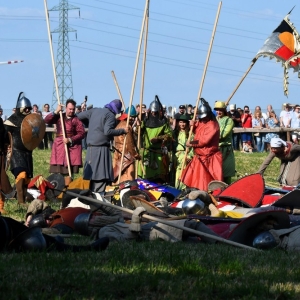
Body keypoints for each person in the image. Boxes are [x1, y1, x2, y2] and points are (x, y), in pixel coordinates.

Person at [77, 99, 129, 193]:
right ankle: (98, 197)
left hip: (91, 148)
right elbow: (107, 131)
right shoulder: (110, 116)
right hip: (101, 149)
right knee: (100, 175)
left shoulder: (94, 110)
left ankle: (93, 195)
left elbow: (78, 116)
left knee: (93, 175)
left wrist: (92, 123)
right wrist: (122, 131)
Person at [180, 98, 222, 191]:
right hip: (199, 157)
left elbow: (204, 141)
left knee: (205, 183)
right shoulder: (202, 121)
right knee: (194, 180)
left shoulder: (213, 125)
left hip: (208, 158)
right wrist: (193, 125)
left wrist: (191, 143)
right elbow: (198, 130)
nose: (202, 119)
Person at [44, 99, 85, 187]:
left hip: (71, 147)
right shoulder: (59, 116)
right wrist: (55, 111)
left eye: (73, 109)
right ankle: (58, 187)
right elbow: (46, 120)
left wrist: (70, 139)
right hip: (59, 144)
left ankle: (68, 187)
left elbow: (81, 133)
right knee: (59, 169)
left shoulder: (76, 120)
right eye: (70, 109)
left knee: (69, 169)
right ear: (66, 108)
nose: (71, 111)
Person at [4, 92, 34, 205]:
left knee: (27, 179)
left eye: (29, 108)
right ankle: (21, 202)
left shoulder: (30, 120)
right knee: (21, 175)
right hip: (16, 152)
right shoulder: (11, 121)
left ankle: (23, 200)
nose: (28, 110)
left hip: (27, 152)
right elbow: (4, 135)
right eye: (25, 108)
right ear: (19, 108)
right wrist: (6, 146)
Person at [138, 96, 172, 182]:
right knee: (145, 176)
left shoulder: (164, 121)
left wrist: (159, 139)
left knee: (158, 177)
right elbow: (138, 133)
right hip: (147, 152)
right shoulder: (145, 120)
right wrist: (139, 127)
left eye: (155, 112)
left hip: (158, 154)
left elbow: (169, 135)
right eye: (152, 112)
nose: (153, 114)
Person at [112, 105, 139, 184]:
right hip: (126, 155)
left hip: (117, 153)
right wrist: (135, 154)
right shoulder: (127, 127)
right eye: (132, 117)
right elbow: (129, 143)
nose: (133, 119)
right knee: (127, 178)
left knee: (117, 178)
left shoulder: (118, 125)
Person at [215, 101, 235, 184]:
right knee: (216, 173)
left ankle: (227, 191)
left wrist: (211, 137)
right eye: (217, 110)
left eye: (221, 110)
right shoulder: (214, 120)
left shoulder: (229, 121)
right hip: (216, 150)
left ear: (224, 110)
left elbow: (223, 135)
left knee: (226, 172)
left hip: (226, 149)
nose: (219, 112)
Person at [172, 114, 193, 188]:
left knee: (182, 172)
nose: (182, 124)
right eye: (180, 122)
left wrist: (189, 155)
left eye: (184, 122)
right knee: (175, 172)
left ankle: (182, 188)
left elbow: (194, 146)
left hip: (185, 155)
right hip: (176, 156)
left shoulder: (190, 134)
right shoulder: (175, 133)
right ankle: (176, 187)